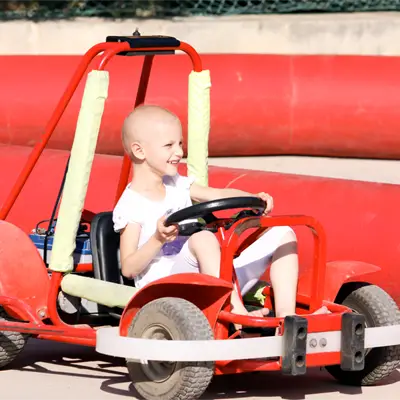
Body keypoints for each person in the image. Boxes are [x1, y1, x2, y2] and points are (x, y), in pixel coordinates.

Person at [113, 105, 328, 328]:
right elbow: (128, 268)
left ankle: (286, 321)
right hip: (168, 291)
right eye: (169, 145)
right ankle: (238, 316)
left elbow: (216, 195)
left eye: (180, 144)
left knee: (283, 232)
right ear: (139, 151)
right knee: (203, 238)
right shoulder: (132, 204)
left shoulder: (178, 185)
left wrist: (253, 198)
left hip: (209, 280)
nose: (178, 152)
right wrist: (157, 239)